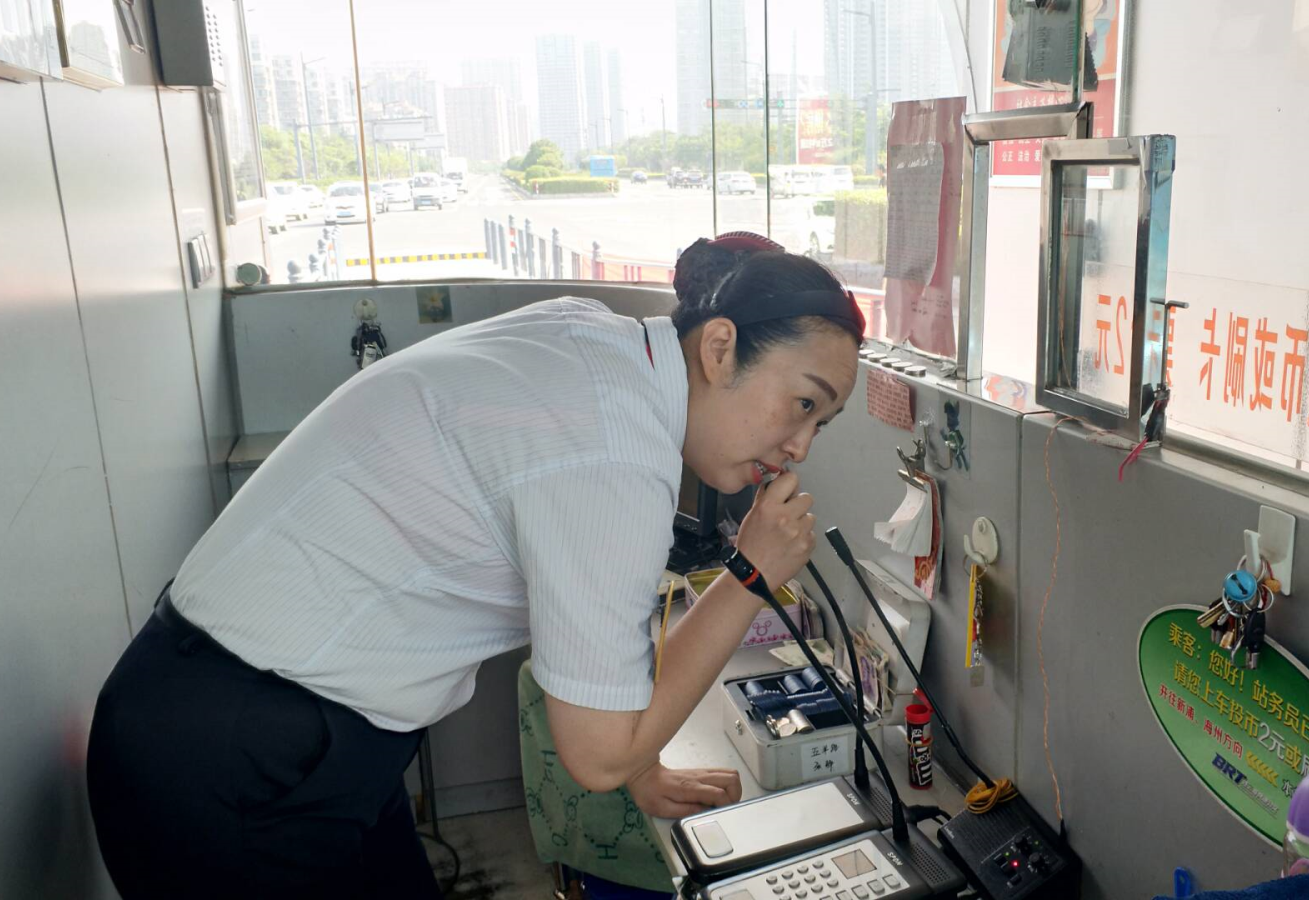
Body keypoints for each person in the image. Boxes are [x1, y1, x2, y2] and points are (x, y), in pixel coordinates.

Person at [85, 233, 865, 899]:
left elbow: (582, 625)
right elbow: (596, 757)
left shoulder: (595, 341)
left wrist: (643, 767)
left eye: (822, 424)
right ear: (720, 348)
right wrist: (750, 574)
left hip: (266, 715)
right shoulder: (613, 452)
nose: (800, 446)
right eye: (804, 403)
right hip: (235, 761)